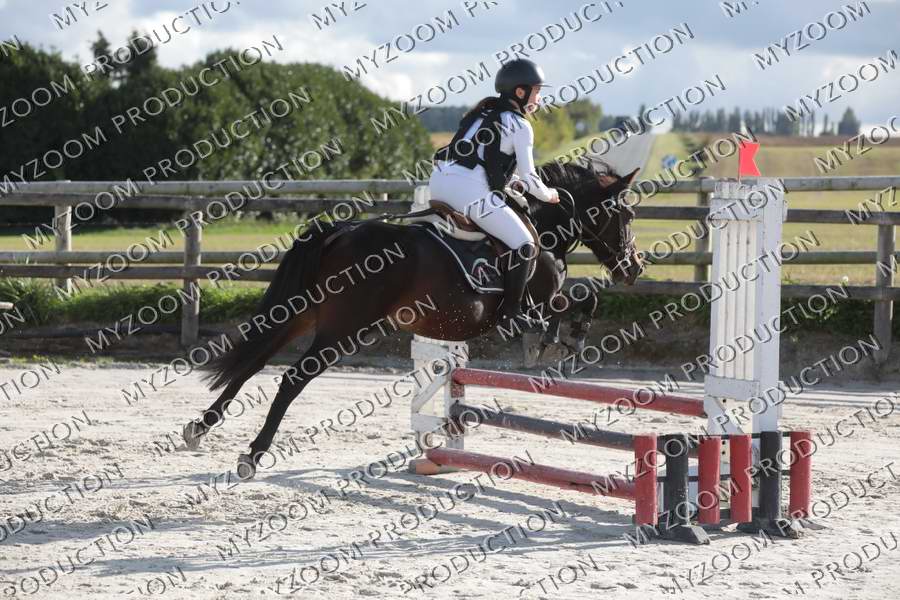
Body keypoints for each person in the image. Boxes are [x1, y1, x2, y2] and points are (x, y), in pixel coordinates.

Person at [430, 58, 560, 331]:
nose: (539, 98)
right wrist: (549, 195)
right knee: (525, 244)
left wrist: (511, 182)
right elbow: (531, 178)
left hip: (439, 184)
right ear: (520, 92)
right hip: (470, 193)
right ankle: (511, 314)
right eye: (537, 91)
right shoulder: (521, 125)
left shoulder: (479, 114)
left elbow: (484, 161)